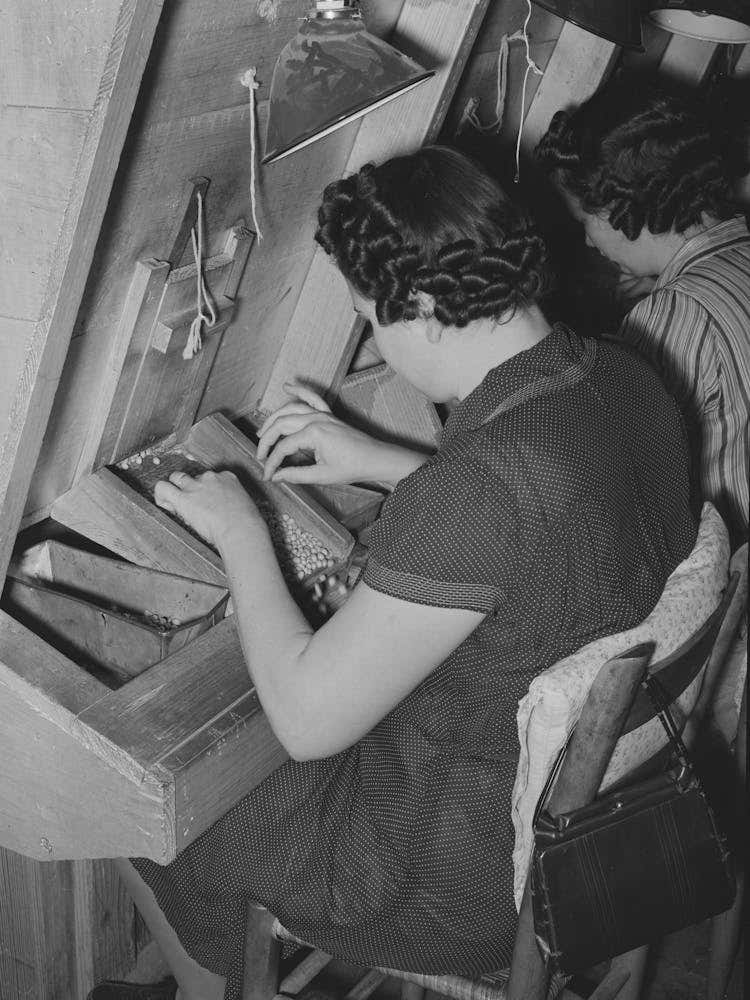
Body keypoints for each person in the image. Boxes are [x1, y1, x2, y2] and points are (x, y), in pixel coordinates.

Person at [89, 146, 697, 1000]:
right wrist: (378, 459)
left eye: (370, 320)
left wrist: (240, 531)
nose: (372, 337)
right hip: (583, 825)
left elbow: (305, 721)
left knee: (139, 800)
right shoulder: (622, 377)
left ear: (424, 311)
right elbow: (554, 522)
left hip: (451, 875)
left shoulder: (480, 492)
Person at [535, 78, 750, 551]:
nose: (589, 241)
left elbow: (606, 475)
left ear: (620, 207)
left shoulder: (676, 312)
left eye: (585, 222)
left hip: (724, 562)